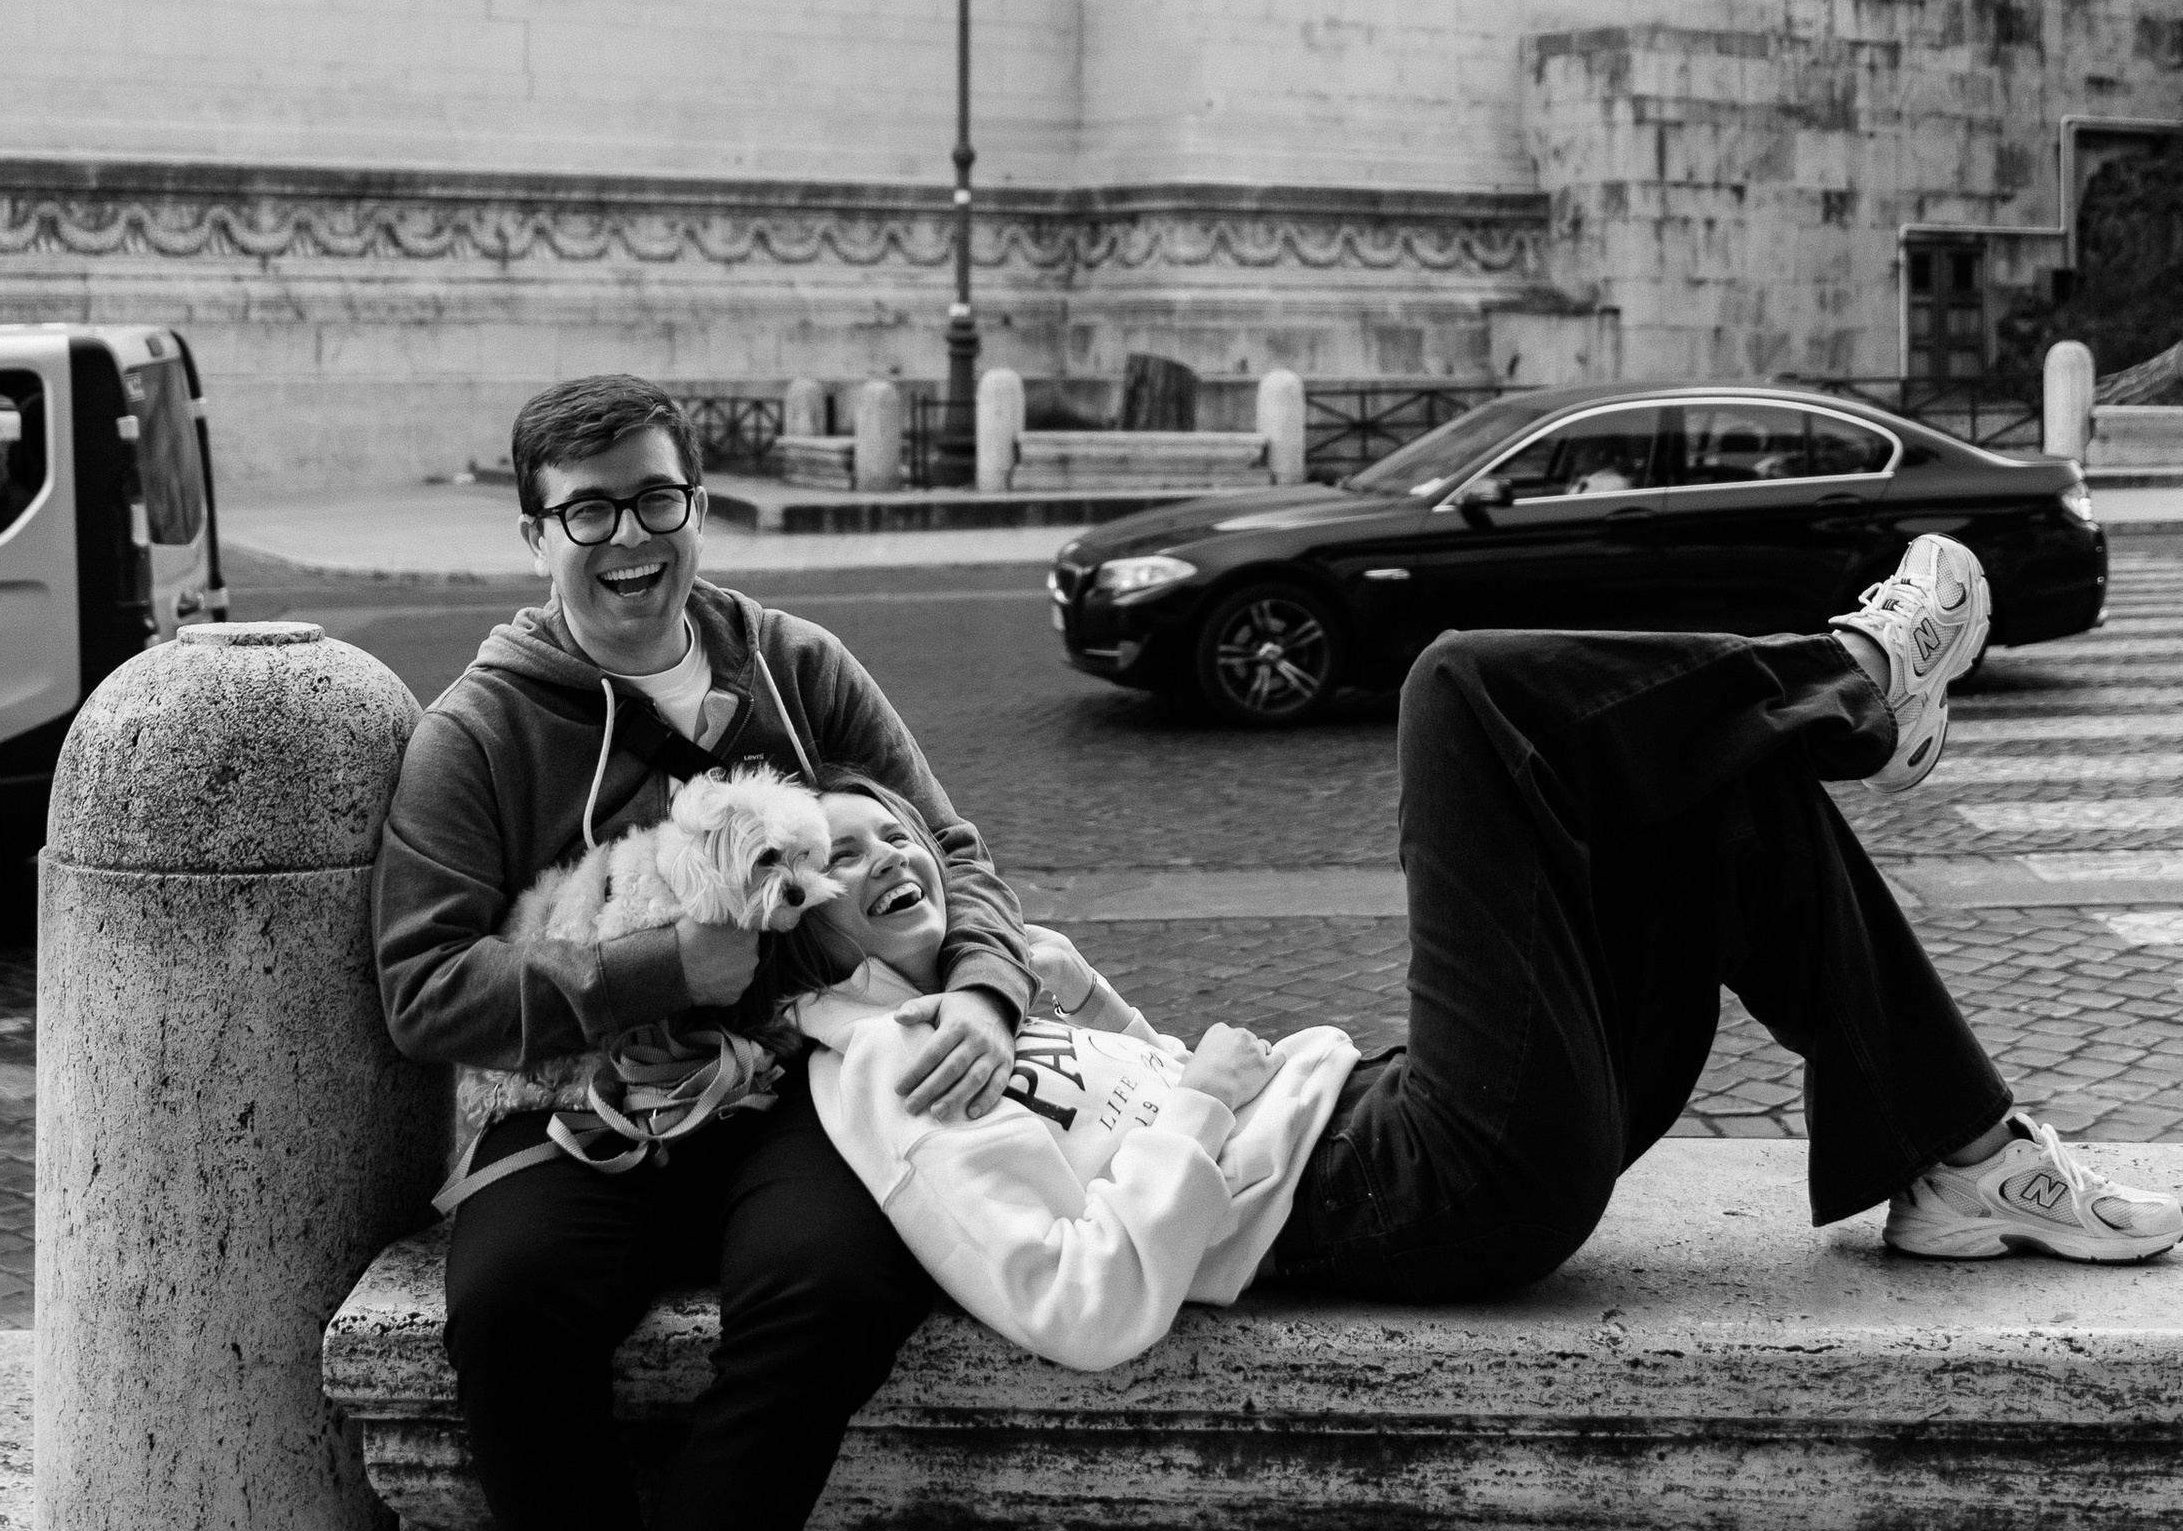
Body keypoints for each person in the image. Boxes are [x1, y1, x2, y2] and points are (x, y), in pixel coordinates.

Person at [784, 536, 2183, 1370]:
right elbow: (1080, 1301)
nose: (890, 856)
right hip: (1421, 1183)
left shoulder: (988, 1002)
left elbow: (1134, 1089)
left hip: (1419, 1125)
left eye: (892, 831)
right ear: (808, 934)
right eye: (843, 861)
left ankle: (1965, 1154)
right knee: (1457, 684)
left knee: (1721, 785)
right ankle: (1857, 681)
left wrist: (1076, 1000)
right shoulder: (883, 1084)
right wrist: (1205, 1103)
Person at [371, 372, 1035, 1531]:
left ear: (695, 506)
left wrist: (979, 992)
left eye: (656, 500)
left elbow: (960, 855)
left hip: (800, 1086)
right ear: (537, 531)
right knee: (508, 1306)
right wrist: (667, 961)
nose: (628, 540)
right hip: (583, 1109)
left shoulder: (800, 669)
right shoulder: (482, 728)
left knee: (831, 1291)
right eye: (587, 510)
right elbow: (423, 987)